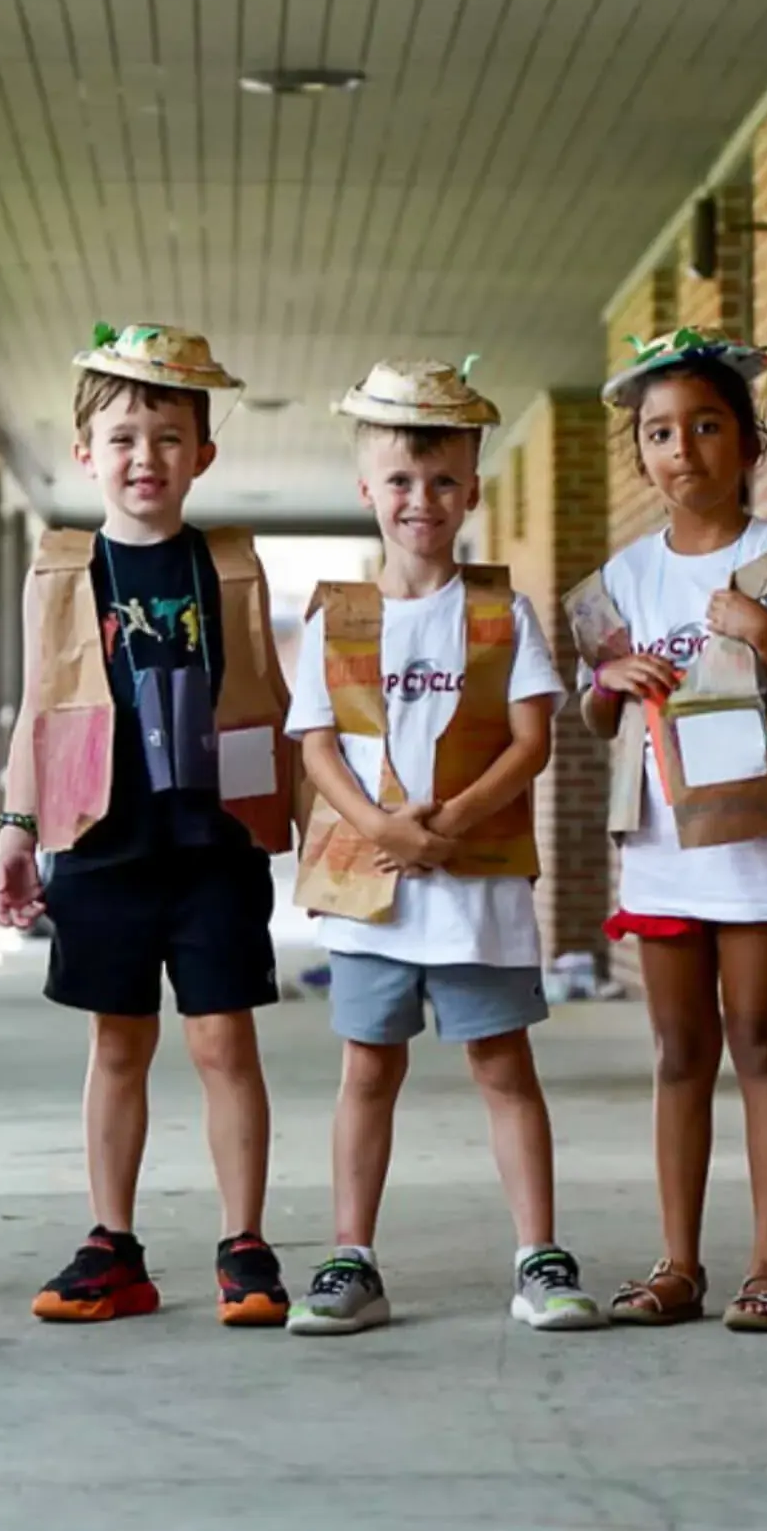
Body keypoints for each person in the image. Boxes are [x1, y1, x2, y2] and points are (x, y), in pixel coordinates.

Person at [567, 329, 767, 1333]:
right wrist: (608, 682)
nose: (683, 448)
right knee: (676, 1051)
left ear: (750, 443)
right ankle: (676, 1261)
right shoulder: (622, 576)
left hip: (760, 851)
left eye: (706, 426)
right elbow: (594, 711)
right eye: (660, 432)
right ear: (641, 456)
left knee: (758, 1040)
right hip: (664, 852)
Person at [282, 360, 603, 1336]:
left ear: (470, 489)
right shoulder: (339, 616)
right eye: (400, 481)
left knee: (502, 1065)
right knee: (367, 1069)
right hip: (370, 886)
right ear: (366, 491)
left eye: (442, 482)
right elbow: (316, 743)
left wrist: (452, 820)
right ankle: (353, 1257)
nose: (420, 500)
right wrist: (380, 826)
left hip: (475, 891)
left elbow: (532, 738)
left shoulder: (501, 615)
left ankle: (539, 1254)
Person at [0, 324, 297, 1326]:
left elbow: (276, 697)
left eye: (167, 438)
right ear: (87, 452)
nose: (144, 458)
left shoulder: (230, 567)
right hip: (102, 843)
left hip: (212, 844)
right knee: (117, 1045)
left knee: (221, 1041)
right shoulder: (66, 570)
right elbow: (39, 701)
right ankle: (110, 1241)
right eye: (122, 437)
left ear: (202, 454)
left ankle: (244, 1240)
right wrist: (16, 823)